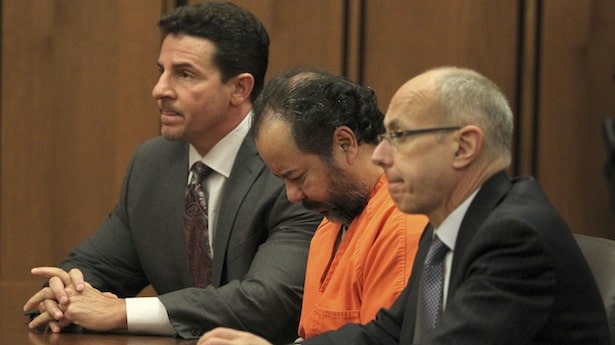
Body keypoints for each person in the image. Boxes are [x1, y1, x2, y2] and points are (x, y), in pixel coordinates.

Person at [197, 66, 611, 345]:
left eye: (400, 137)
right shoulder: (448, 226)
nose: (379, 155)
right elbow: (386, 334)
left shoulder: (515, 234)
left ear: (464, 146)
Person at [22, 2, 321, 343]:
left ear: (239, 88)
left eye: (184, 74)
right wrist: (64, 294)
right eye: (161, 70)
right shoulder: (153, 165)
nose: (160, 89)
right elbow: (97, 267)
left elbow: (267, 302)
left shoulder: (288, 172)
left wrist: (122, 312)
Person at [250, 67, 427, 340]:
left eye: (297, 177)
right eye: (281, 180)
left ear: (345, 143)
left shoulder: (403, 223)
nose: (291, 196)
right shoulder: (332, 219)